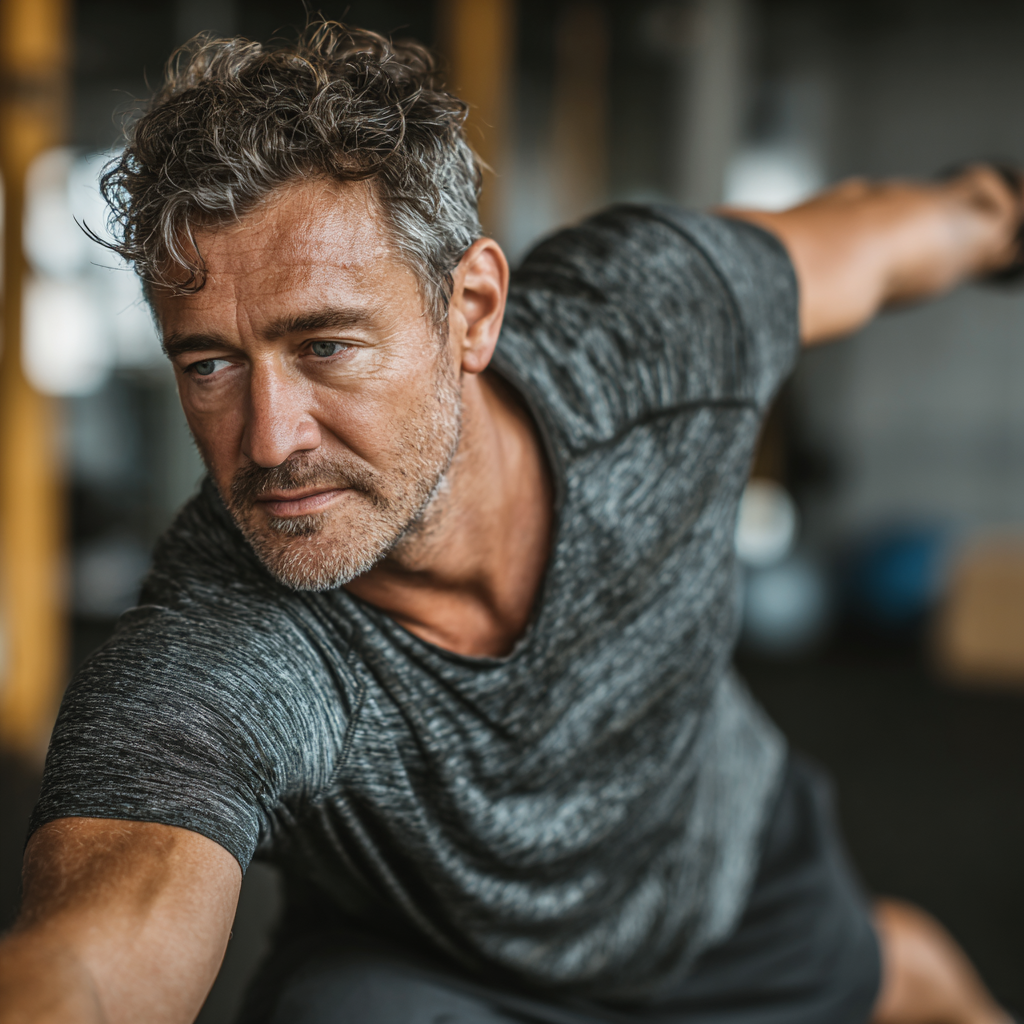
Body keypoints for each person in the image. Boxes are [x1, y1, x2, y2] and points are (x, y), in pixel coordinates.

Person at [0, 21, 1020, 1024]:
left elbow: (880, 239)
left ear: (473, 311)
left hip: (720, 883)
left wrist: (1000, 211)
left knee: (914, 987)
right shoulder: (214, 646)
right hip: (444, 967)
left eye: (326, 347)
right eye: (211, 363)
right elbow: (91, 958)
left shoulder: (648, 335)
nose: (269, 441)